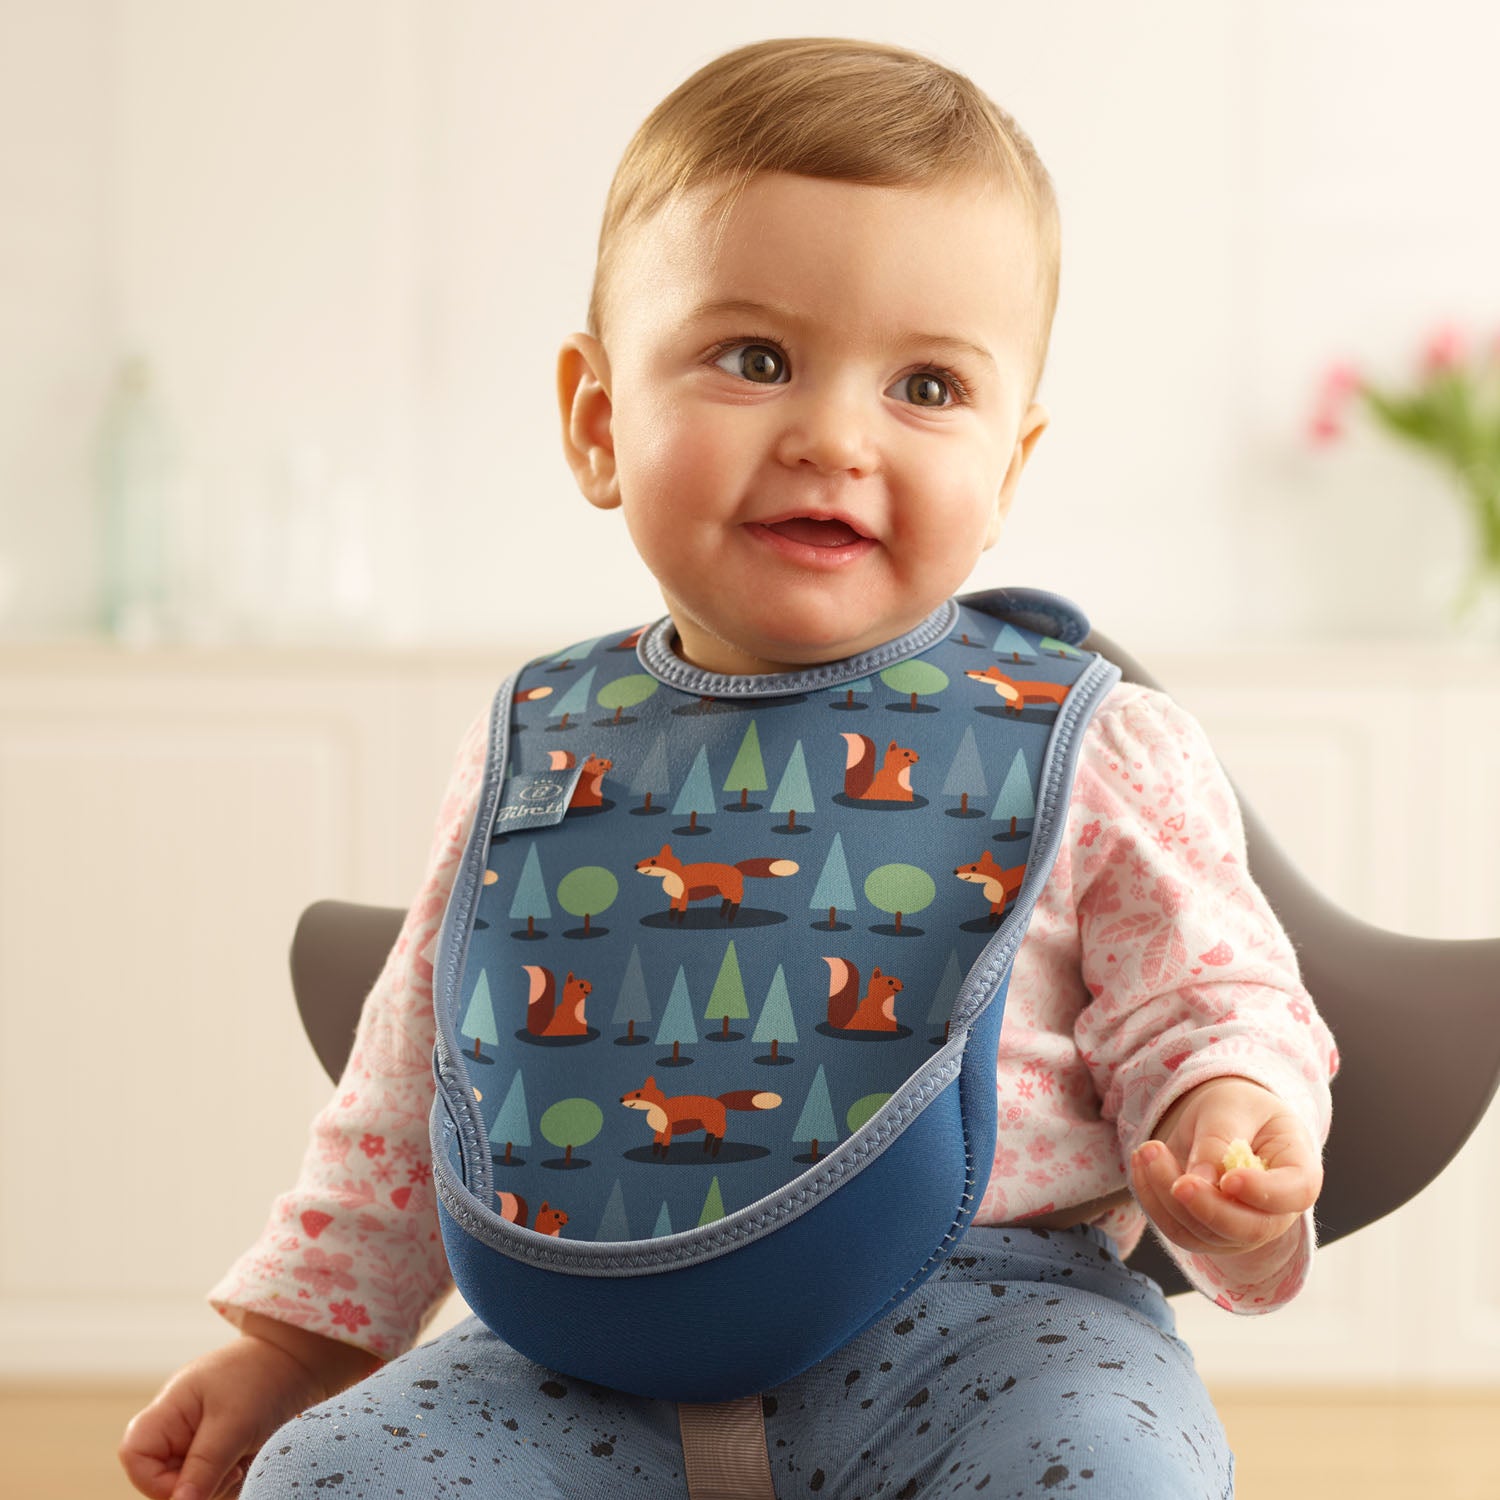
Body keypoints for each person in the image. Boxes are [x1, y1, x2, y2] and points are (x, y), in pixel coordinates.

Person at [120, 36, 1336, 1500]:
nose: (833, 435)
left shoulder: (1094, 741)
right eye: (754, 359)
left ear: (1010, 470)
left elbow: (1212, 1002)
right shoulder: (537, 741)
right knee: (331, 1479)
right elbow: (419, 1080)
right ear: (597, 419)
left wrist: (1234, 1142)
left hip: (990, 1335)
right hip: (568, 1351)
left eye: (928, 385)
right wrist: (296, 1345)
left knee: (1103, 1468)